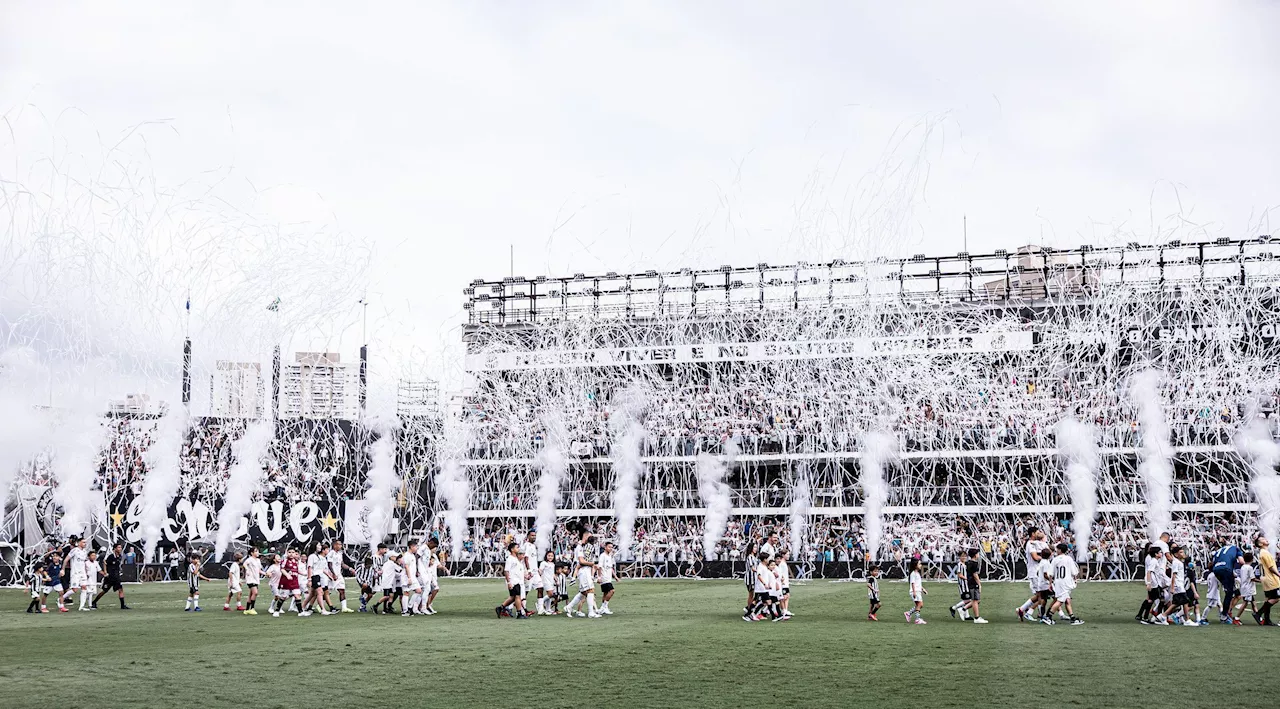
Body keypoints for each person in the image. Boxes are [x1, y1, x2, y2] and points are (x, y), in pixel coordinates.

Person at [1046, 543, 1083, 625]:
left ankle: (1072, 617)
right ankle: (1048, 617)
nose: (1056, 551)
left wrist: (1050, 584)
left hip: (1058, 582)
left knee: (1067, 600)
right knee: (1060, 601)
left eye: (1057, 549)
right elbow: (1074, 572)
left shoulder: (1055, 559)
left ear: (1060, 550)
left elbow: (1051, 573)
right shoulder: (1068, 559)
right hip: (1066, 582)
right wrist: (1075, 579)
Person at [566, 534, 601, 619]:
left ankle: (569, 607)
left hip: (585, 569)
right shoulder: (582, 547)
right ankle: (591, 612)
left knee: (583, 592)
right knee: (590, 590)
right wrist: (593, 564)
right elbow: (581, 561)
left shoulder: (583, 546)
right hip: (584, 569)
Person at [1210, 534, 1244, 623]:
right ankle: (1224, 615)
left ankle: (1227, 612)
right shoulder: (1236, 549)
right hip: (1226, 570)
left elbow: (1212, 563)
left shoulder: (1220, 550)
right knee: (1229, 593)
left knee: (1234, 593)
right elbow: (1241, 561)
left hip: (1217, 570)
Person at [93, 543, 130, 610]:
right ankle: (94, 602)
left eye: (120, 547)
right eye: (119, 547)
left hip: (116, 577)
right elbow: (104, 562)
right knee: (104, 590)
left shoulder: (119, 556)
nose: (120, 549)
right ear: (115, 548)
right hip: (110, 577)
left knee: (120, 589)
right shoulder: (111, 556)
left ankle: (122, 605)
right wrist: (105, 572)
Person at [496, 542, 528, 619]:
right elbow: (506, 571)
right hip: (514, 581)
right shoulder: (510, 559)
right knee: (517, 596)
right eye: (517, 547)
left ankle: (501, 608)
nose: (518, 549)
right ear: (512, 549)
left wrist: (525, 576)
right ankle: (519, 613)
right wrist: (509, 582)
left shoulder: (516, 559)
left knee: (513, 597)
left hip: (518, 580)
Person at [1137, 546, 1167, 625]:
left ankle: (1146, 617)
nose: (1161, 553)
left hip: (1156, 583)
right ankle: (1156, 617)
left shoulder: (1155, 561)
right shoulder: (1153, 561)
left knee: (1153, 599)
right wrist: (1149, 583)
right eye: (1160, 552)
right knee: (1159, 599)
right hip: (1155, 584)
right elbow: (1149, 572)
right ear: (1156, 554)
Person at [1253, 536, 1278, 626]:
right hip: (1271, 579)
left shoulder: (1262, 553)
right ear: (1260, 544)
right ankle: (1258, 613)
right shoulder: (1265, 553)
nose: (1266, 539)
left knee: (1268, 599)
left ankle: (1267, 620)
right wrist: (1279, 575)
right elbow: (1271, 568)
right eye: (1263, 539)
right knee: (1276, 598)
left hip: (1265, 579)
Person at [327, 541, 355, 613]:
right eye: (339, 544)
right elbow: (329, 564)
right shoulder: (330, 553)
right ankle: (320, 605)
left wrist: (350, 568)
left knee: (342, 590)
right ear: (335, 545)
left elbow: (342, 564)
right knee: (328, 591)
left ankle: (344, 607)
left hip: (339, 575)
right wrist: (333, 574)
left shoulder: (340, 553)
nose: (341, 546)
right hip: (332, 575)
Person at [1231, 552, 1256, 625]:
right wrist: (1262, 580)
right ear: (1252, 559)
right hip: (1248, 588)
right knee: (1245, 603)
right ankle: (1237, 618)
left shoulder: (1243, 567)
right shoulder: (1250, 568)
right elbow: (1252, 578)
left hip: (1244, 586)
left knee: (1253, 602)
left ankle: (1258, 616)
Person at [950, 549, 973, 621]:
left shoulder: (964, 564)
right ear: (959, 557)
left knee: (966, 599)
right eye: (962, 556)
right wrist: (967, 579)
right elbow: (959, 575)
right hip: (963, 585)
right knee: (968, 600)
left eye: (965, 556)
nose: (964, 558)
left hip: (966, 584)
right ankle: (954, 607)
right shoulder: (960, 564)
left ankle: (967, 615)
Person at [598, 541, 617, 616]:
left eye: (612, 547)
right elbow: (599, 567)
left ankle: (603, 608)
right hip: (604, 577)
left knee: (605, 593)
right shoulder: (602, 556)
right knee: (612, 591)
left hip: (608, 577)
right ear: (605, 547)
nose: (611, 548)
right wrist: (599, 577)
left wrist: (615, 577)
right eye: (609, 547)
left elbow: (611, 568)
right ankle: (604, 607)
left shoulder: (610, 556)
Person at [904, 558, 926, 624]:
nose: (921, 565)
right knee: (920, 604)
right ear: (915, 565)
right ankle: (917, 619)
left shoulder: (917, 573)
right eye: (919, 564)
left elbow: (918, 583)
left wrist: (922, 589)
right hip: (915, 591)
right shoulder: (913, 574)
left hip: (918, 591)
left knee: (920, 605)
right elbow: (913, 583)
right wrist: (914, 592)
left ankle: (908, 613)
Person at [242, 547, 263, 615]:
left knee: (251, 594)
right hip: (250, 579)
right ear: (252, 553)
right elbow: (244, 564)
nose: (257, 552)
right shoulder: (250, 559)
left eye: (258, 551)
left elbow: (259, 570)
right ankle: (252, 608)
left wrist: (266, 573)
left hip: (256, 579)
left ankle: (247, 609)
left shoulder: (258, 560)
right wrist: (247, 569)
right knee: (255, 593)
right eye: (256, 551)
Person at [537, 550, 557, 615]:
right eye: (549, 556)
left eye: (552, 556)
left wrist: (555, 579)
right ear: (546, 556)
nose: (550, 557)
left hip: (551, 581)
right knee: (550, 594)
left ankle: (548, 609)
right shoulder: (543, 563)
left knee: (550, 596)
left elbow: (553, 573)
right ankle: (540, 603)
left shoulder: (553, 564)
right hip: (545, 581)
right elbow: (540, 571)